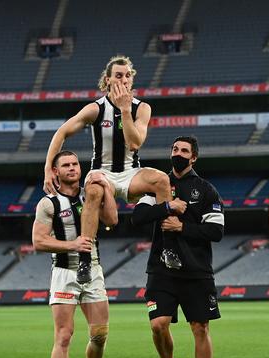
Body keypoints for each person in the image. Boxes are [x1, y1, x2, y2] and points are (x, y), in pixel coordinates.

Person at [43, 55, 181, 285]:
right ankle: (85, 258)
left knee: (162, 180)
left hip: (130, 173)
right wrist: (49, 168)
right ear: (108, 80)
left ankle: (168, 248)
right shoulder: (95, 109)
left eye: (128, 76)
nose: (124, 80)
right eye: (118, 76)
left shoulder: (141, 108)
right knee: (95, 191)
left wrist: (125, 110)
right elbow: (62, 132)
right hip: (101, 172)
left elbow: (135, 143)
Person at [130, 136, 225, 358]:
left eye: (184, 151)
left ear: (193, 157)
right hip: (161, 271)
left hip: (196, 270)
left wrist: (181, 227)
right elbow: (138, 217)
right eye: (175, 149)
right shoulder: (156, 185)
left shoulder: (206, 190)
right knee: (158, 325)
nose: (178, 154)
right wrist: (167, 207)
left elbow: (216, 231)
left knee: (200, 328)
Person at [32, 150, 118, 358]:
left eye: (75, 164)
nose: (72, 168)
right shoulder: (48, 203)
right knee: (63, 336)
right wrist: (73, 245)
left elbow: (112, 220)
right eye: (66, 165)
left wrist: (106, 187)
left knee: (100, 335)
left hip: (93, 269)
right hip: (64, 272)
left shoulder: (91, 194)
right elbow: (38, 241)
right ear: (55, 171)